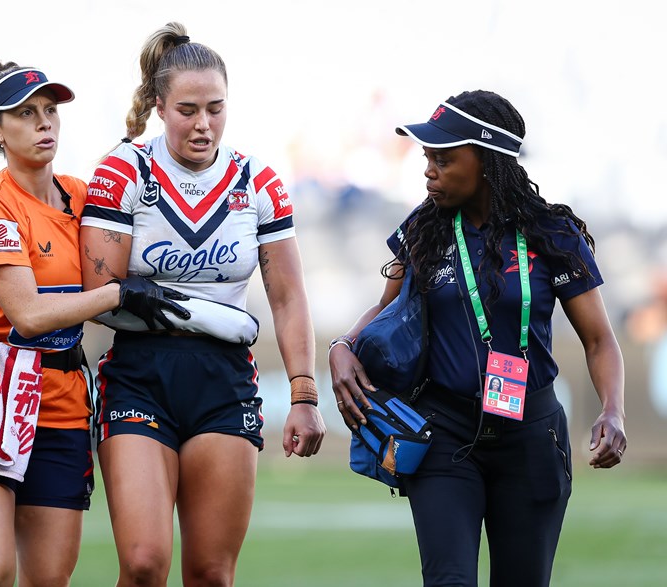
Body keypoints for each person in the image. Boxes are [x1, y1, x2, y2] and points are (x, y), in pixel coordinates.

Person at [329, 90, 626, 587]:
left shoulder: (553, 234)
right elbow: (386, 307)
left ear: (488, 161)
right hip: (443, 434)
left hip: (531, 437)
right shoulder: (423, 230)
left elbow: (599, 340)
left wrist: (612, 410)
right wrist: (342, 345)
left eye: (443, 159)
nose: (429, 170)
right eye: (428, 158)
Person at [79, 22, 327, 586]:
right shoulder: (122, 172)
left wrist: (304, 393)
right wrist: (185, 309)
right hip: (141, 375)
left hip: (224, 381)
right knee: (143, 564)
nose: (203, 124)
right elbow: (98, 295)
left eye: (215, 108)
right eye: (187, 110)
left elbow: (287, 297)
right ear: (160, 107)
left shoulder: (258, 181)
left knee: (212, 574)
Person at [0, 60, 187, 587]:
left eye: (50, 111)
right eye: (25, 113)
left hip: (62, 403)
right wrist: (116, 294)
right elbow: (27, 315)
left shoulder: (79, 195)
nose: (45, 122)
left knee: (48, 579)